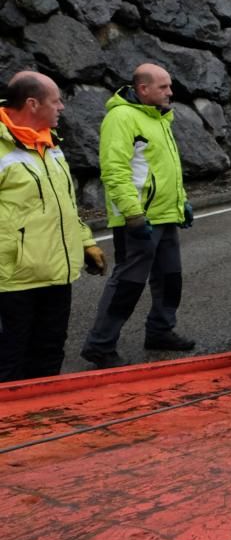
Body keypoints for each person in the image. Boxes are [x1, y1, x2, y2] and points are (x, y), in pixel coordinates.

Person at [81, 63, 195, 369]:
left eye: (169, 86)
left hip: (164, 216)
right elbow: (115, 170)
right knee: (129, 283)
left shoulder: (159, 117)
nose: (170, 92)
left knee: (171, 278)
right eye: (164, 87)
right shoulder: (121, 118)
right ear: (143, 89)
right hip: (139, 219)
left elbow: (166, 167)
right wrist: (133, 215)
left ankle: (160, 330)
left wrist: (181, 202)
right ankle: (100, 345)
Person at [1, 71, 106, 382]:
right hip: (12, 280)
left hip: (56, 274)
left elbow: (65, 205)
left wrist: (85, 242)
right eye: (56, 101)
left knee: (49, 354)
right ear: (32, 104)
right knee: (9, 361)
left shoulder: (51, 144)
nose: (61, 107)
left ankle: (44, 422)